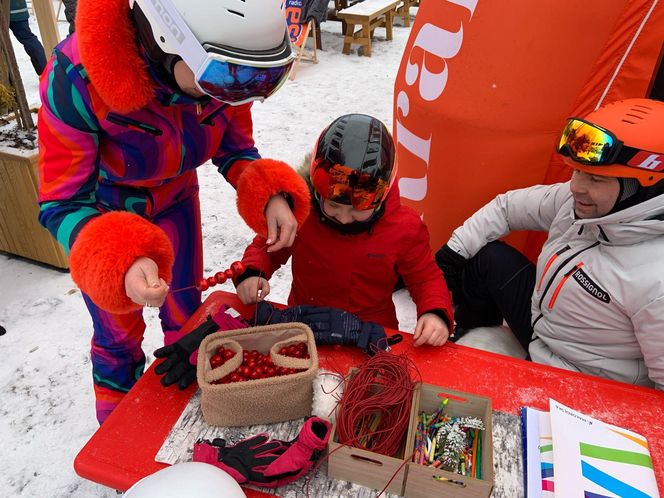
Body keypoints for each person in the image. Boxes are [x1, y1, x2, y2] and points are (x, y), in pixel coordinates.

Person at [37, 0, 310, 423]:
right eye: (226, 75)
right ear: (167, 39)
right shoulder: (78, 75)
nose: (237, 90)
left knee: (187, 316)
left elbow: (235, 147)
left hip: (177, 203)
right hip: (104, 218)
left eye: (257, 77)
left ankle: (185, 419)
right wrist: (117, 259)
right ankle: (119, 434)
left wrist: (269, 192)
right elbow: (62, 199)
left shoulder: (224, 67)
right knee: (117, 336)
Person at [435, 98, 664, 389]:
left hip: (581, 383)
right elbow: (506, 208)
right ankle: (468, 333)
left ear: (644, 186)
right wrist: (452, 256)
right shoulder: (581, 204)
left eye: (595, 178)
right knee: (485, 255)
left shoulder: (657, 280)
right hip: (542, 329)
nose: (576, 187)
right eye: (576, 171)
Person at [235, 114, 454, 347]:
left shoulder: (404, 228)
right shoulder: (301, 213)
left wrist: (435, 312)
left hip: (370, 333)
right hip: (305, 325)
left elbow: (425, 277)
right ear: (318, 192)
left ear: (383, 196)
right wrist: (251, 273)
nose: (343, 218)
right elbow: (266, 246)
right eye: (334, 206)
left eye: (357, 210)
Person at [9, 0, 47, 75]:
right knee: (29, 39)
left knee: (28, 40)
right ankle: (45, 73)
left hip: (11, 9)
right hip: (18, 8)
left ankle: (45, 73)